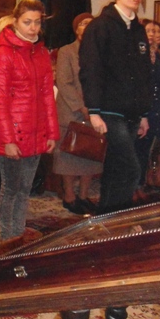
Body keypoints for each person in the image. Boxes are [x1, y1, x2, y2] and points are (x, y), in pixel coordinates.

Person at [0, 0, 59, 249]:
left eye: (37, 22)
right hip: (14, 133)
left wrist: (52, 133)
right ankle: (8, 240)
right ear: (16, 21)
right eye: (27, 22)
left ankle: (18, 239)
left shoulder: (40, 53)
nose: (32, 28)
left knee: (25, 189)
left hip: (37, 131)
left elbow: (48, 96)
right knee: (10, 189)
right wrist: (8, 140)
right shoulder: (3, 54)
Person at [79, 0, 151, 213]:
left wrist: (143, 114)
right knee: (131, 168)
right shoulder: (101, 26)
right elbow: (91, 69)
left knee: (115, 168)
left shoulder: (138, 30)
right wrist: (94, 111)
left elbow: (143, 73)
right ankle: (120, 217)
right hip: (109, 110)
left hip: (132, 111)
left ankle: (107, 219)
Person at [53, 13, 103, 214]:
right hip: (71, 112)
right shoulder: (66, 51)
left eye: (90, 23)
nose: (87, 27)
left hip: (96, 111)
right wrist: (82, 107)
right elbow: (64, 83)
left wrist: (96, 108)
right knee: (69, 155)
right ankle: (69, 197)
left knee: (91, 154)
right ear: (76, 29)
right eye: (83, 24)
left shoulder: (101, 50)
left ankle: (83, 196)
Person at [134, 20, 160, 188]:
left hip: (156, 109)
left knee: (147, 150)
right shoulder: (137, 55)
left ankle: (141, 184)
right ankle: (133, 187)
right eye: (150, 31)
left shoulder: (159, 57)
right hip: (140, 109)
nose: (154, 35)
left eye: (157, 31)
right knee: (137, 149)